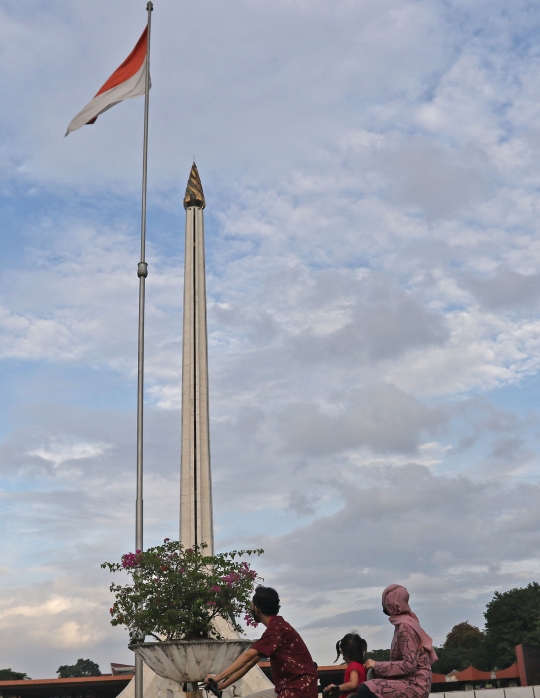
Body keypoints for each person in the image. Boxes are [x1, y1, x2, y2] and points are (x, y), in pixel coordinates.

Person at [205, 586, 318, 698]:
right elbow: (249, 663)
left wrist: (218, 677)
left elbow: (248, 656)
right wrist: (223, 684)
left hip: (298, 691)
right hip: (291, 689)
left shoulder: (276, 630)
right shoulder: (277, 628)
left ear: (257, 609)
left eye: (252, 606)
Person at [358, 585, 437, 698]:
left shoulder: (405, 627)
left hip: (415, 685)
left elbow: (409, 664)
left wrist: (376, 665)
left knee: (365, 688)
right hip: (410, 682)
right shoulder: (406, 623)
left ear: (391, 604)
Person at [324, 633, 367, 697]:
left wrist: (336, 687)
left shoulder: (353, 666)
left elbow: (353, 684)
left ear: (345, 652)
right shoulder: (360, 666)